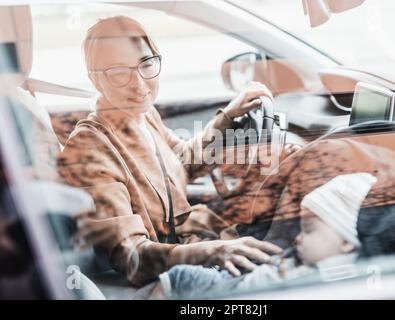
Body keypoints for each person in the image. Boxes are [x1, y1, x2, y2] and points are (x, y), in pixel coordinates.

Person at [58, 16, 285, 286]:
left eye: (147, 64)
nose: (140, 85)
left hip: (201, 237)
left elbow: (182, 162)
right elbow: (131, 256)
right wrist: (209, 252)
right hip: (170, 273)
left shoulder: (141, 114)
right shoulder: (89, 149)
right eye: (120, 73)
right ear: (96, 80)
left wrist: (228, 116)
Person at [136, 172, 378, 299]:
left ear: (347, 241)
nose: (298, 238)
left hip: (242, 290)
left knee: (180, 278)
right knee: (180, 277)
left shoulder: (335, 277)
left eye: (309, 230)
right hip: (243, 281)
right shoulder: (319, 258)